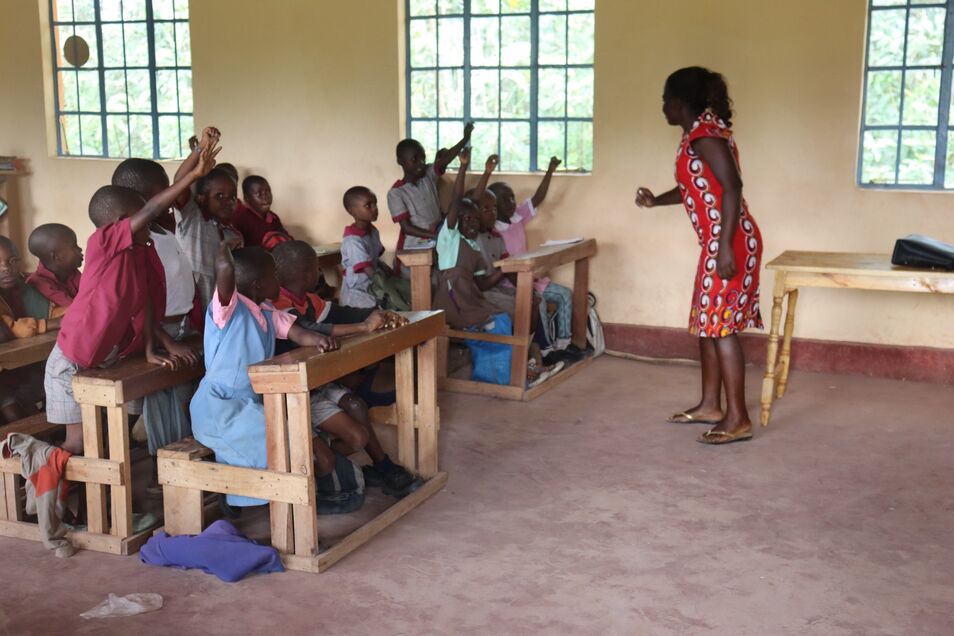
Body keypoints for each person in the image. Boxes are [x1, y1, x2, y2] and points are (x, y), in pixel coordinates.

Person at [44, 141, 219, 455]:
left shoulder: (142, 250)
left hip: (105, 357)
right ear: (123, 221)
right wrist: (193, 175)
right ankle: (38, 470)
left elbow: (145, 303)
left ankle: (107, 482)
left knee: (110, 438)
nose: (149, 224)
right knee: (78, 444)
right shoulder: (103, 244)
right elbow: (151, 209)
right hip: (70, 361)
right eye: (142, 220)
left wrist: (153, 348)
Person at [635, 66, 763, 445]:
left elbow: (732, 186)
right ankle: (710, 405)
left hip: (728, 241)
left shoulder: (705, 135)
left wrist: (724, 246)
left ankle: (738, 418)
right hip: (718, 241)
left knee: (720, 326)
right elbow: (694, 186)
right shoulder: (696, 135)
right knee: (707, 323)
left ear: (678, 103)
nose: (662, 108)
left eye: (665, 101)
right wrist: (656, 201)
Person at [270, 240, 420, 498]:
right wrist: (364, 326)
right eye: (316, 268)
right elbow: (309, 329)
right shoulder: (278, 304)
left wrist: (378, 314)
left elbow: (341, 313)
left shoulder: (308, 299)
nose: (320, 272)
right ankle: (317, 466)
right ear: (307, 274)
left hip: (316, 383)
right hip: (291, 392)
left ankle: (382, 467)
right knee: (355, 409)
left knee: (356, 405)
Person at [111, 158, 203, 463]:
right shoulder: (137, 244)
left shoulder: (163, 231)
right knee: (164, 402)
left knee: (184, 397)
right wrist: (167, 341)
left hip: (183, 327)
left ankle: (182, 464)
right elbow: (140, 304)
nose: (170, 196)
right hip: (160, 332)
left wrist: (197, 155)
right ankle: (161, 470)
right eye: (163, 191)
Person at [489, 156, 578, 354]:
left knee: (564, 294)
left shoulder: (517, 217)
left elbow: (538, 197)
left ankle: (564, 344)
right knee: (540, 303)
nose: (512, 203)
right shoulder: (493, 230)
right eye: (505, 200)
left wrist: (550, 170)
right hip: (510, 284)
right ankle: (545, 350)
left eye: (512, 197)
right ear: (493, 206)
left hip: (531, 279)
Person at [388, 122, 473, 271]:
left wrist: (465, 138)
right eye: (414, 159)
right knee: (420, 281)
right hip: (414, 247)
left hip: (436, 241)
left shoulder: (428, 175)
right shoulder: (396, 193)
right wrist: (435, 235)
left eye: (423, 157)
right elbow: (407, 228)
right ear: (400, 161)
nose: (421, 163)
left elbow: (445, 160)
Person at [174, 127, 244, 309]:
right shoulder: (193, 218)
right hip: (189, 308)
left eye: (233, 197)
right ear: (201, 198)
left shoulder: (233, 235)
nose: (228, 202)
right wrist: (201, 147)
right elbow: (179, 182)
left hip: (216, 312)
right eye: (219, 196)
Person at [0, 235, 62, 422]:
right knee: (14, 412)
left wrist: (73, 313)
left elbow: (51, 311)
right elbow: (10, 329)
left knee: (56, 387)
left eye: (12, 261)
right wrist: (54, 323)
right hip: (5, 375)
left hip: (24, 368)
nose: (5, 268)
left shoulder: (25, 285)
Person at [340, 186, 411, 310]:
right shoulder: (353, 241)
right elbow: (367, 268)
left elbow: (374, 259)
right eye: (368, 205)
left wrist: (388, 271)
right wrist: (388, 287)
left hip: (372, 286)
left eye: (375, 203)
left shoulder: (373, 231)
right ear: (353, 212)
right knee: (393, 303)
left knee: (404, 289)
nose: (375, 208)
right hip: (358, 294)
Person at [26, 224, 83, 311]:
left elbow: (94, 293)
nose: (80, 249)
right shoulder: (40, 284)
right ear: (57, 257)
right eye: (74, 246)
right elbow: (77, 310)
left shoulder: (71, 272)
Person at [234, 175, 293, 248]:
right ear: (247, 198)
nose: (266, 197)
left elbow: (286, 238)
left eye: (268, 191)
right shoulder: (242, 220)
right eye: (259, 194)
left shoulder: (273, 218)